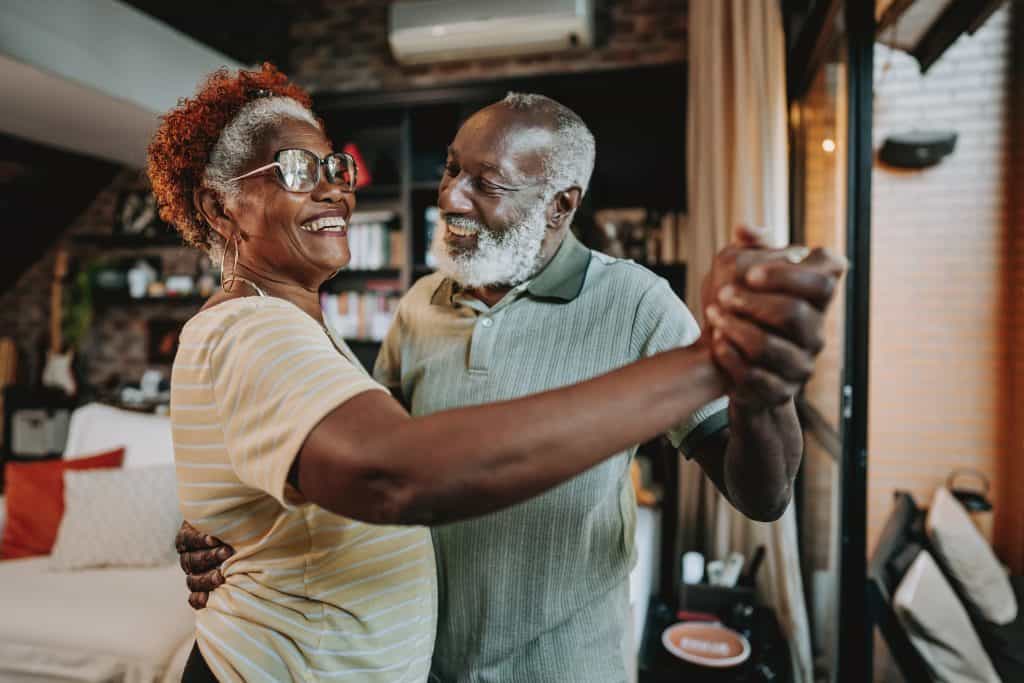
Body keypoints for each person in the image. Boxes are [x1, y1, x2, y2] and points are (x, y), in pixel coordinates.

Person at [176, 83, 844, 682]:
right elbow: (374, 465)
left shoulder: (637, 303)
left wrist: (765, 388)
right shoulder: (418, 306)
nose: (449, 196)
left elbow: (761, 493)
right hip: (428, 665)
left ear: (560, 205)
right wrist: (236, 527)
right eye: (449, 169)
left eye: (485, 183)